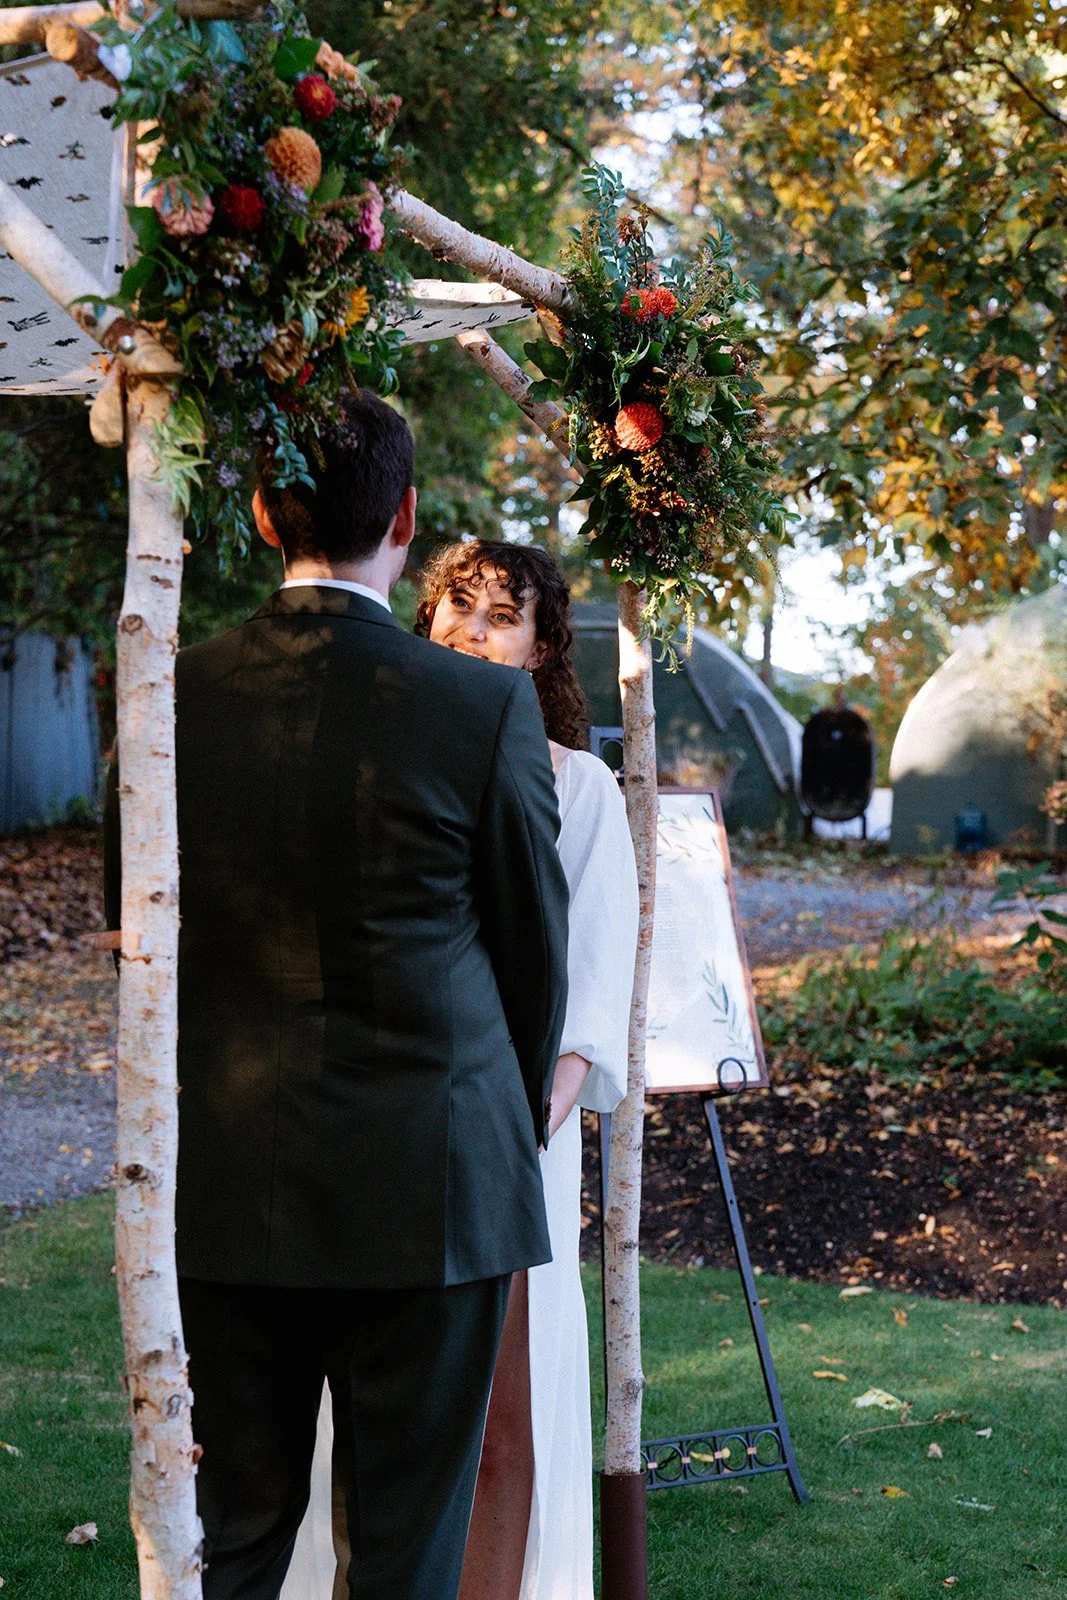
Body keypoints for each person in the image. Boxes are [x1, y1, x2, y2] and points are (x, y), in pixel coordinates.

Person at [104, 394, 570, 1600]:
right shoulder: (481, 706)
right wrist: (491, 1124)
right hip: (435, 1183)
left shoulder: (165, 690)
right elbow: (532, 955)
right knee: (406, 1555)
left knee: (231, 1539)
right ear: (406, 519)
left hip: (223, 1182)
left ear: (263, 512)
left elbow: (135, 934)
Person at [285, 541, 639, 1600]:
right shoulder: (382, 762)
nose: (473, 632)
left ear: (540, 650)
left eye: (500, 616)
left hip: (511, 1131)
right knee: (376, 1409)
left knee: (501, 1407)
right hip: (382, 1123)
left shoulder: (577, 787)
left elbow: (589, 986)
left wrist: (526, 1113)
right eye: (455, 609)